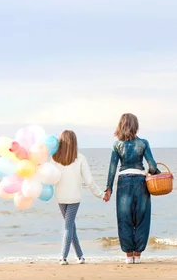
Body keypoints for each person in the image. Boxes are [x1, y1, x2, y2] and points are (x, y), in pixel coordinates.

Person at [104, 113, 160, 264]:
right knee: (142, 219)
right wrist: (156, 173)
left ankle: (129, 256)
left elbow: (112, 168)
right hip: (141, 182)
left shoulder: (117, 145)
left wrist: (108, 188)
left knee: (124, 219)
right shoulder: (143, 143)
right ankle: (138, 254)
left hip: (123, 182)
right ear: (136, 126)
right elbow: (153, 166)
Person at [52, 130, 107, 265]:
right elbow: (89, 181)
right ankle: (64, 257)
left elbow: (51, 178)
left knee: (69, 225)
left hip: (60, 197)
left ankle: (80, 256)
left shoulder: (54, 158)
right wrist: (100, 194)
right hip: (74, 197)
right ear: (74, 142)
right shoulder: (80, 158)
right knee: (69, 226)